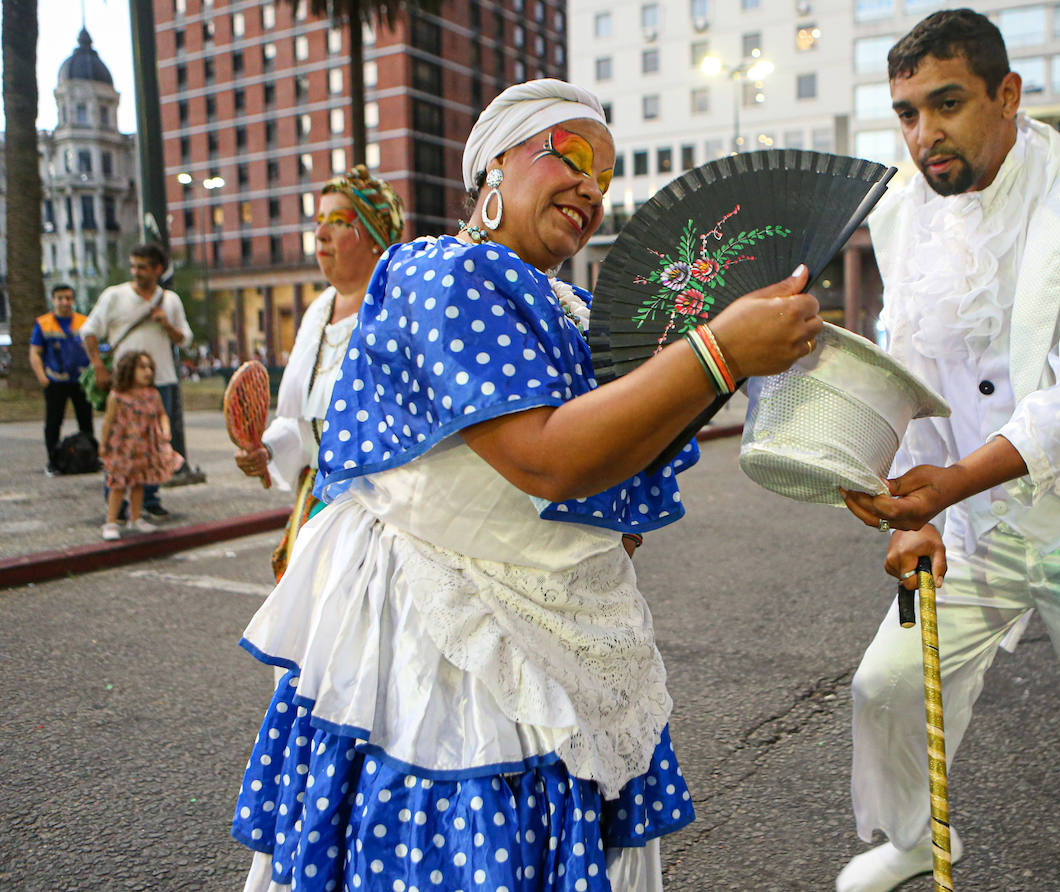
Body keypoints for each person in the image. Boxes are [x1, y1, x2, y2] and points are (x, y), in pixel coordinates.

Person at [229, 79, 822, 892]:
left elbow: (610, 465)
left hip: (562, 618)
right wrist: (719, 350)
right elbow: (545, 458)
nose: (590, 186)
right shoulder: (441, 273)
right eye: (571, 156)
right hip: (448, 633)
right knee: (466, 838)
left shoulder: (577, 308)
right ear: (495, 163)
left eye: (605, 177)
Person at [835, 10, 1060, 892]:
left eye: (947, 103)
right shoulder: (902, 214)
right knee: (885, 686)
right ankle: (921, 841)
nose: (925, 134)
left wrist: (949, 482)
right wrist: (915, 509)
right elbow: (911, 366)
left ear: (1008, 95)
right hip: (977, 516)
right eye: (908, 112)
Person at [233, 165, 404, 580]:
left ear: (375, 238)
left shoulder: (395, 310)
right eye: (319, 221)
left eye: (339, 222)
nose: (321, 234)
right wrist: (267, 451)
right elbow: (303, 420)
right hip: (316, 500)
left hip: (378, 509)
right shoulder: (316, 311)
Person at [83, 243, 193, 517]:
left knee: (154, 444)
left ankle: (149, 499)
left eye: (143, 267)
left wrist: (166, 323)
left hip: (161, 380)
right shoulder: (114, 296)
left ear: (158, 269)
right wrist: (98, 365)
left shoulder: (170, 301)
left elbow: (186, 339)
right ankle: (116, 501)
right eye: (134, 266)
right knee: (123, 442)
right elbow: (89, 330)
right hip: (125, 384)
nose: (137, 272)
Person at [98, 351, 184, 540]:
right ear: (128, 370)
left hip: (144, 446)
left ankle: (135, 517)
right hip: (123, 447)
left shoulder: (152, 395)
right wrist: (103, 444)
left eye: (149, 368)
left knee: (139, 483)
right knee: (118, 484)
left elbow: (162, 413)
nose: (147, 372)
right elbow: (108, 421)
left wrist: (165, 429)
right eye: (141, 367)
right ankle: (111, 521)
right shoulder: (118, 396)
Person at [28, 283, 93, 474]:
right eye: (60, 298)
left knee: (86, 420)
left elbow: (92, 347)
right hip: (55, 380)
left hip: (81, 380)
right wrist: (42, 377)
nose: (65, 302)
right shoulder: (43, 323)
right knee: (53, 422)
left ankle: (89, 457)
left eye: (69, 298)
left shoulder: (84, 322)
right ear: (53, 300)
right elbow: (35, 352)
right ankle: (54, 461)